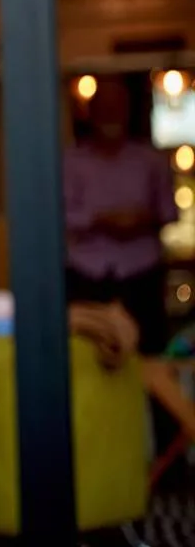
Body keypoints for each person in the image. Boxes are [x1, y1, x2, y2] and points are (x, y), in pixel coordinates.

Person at [64, 76, 176, 353]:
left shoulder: (151, 161)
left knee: (149, 354)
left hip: (141, 274)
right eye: (104, 107)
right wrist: (100, 219)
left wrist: (140, 220)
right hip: (87, 274)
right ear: (91, 113)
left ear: (128, 111)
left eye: (117, 107)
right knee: (87, 354)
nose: (110, 114)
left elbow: (170, 212)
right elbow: (60, 216)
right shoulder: (70, 162)